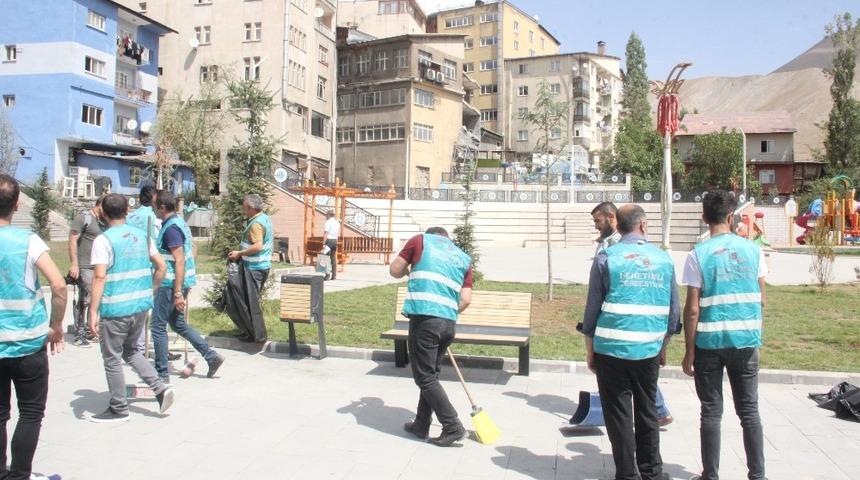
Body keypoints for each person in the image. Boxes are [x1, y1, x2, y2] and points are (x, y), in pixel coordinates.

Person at [580, 204, 680, 480]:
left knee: (618, 414)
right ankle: (652, 472)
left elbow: (592, 308)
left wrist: (590, 347)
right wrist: (664, 346)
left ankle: (626, 473)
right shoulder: (663, 259)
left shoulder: (606, 258)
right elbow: (673, 312)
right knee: (647, 410)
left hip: (611, 349)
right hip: (648, 349)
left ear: (618, 225)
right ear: (643, 225)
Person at [682, 190, 767, 480]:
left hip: (709, 344)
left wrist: (689, 352)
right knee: (749, 410)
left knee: (711, 411)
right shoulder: (754, 250)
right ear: (731, 217)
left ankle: (710, 475)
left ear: (704, 217)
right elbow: (761, 298)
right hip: (745, 341)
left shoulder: (698, 255)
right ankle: (758, 475)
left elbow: (692, 309)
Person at [0, 174, 66, 480]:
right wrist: (56, 326)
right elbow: (59, 285)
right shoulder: (28, 241)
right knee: (30, 413)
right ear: (17, 204)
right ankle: (19, 475)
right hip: (28, 344)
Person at [87, 194, 174, 422]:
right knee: (132, 351)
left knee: (112, 358)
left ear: (103, 213)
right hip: (140, 307)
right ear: (127, 211)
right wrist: (151, 290)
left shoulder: (103, 240)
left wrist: (92, 311)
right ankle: (160, 388)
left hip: (115, 310)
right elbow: (162, 266)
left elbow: (99, 277)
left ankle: (118, 408)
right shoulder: (142, 237)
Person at [390, 227, 473, 447]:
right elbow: (466, 299)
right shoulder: (463, 258)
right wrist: (444, 314)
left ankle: (452, 426)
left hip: (425, 319)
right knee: (431, 376)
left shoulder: (420, 241)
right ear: (447, 239)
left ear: (430, 234)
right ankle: (421, 423)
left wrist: (409, 269)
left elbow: (395, 270)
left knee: (424, 378)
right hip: (448, 323)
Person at [153, 191, 224, 382]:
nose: (153, 210)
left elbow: (179, 261)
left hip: (169, 285)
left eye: (154, 206)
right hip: (177, 283)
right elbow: (189, 252)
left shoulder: (171, 229)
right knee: (177, 324)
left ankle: (161, 374)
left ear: (162, 207)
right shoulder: (179, 223)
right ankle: (211, 356)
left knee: (158, 327)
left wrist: (178, 292)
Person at [227, 194, 273, 342]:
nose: (243, 211)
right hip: (259, 266)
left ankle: (257, 336)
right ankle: (250, 332)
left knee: (251, 303)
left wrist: (239, 253)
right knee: (248, 301)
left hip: (255, 268)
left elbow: (258, 246)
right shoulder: (264, 218)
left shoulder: (256, 224)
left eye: (245, 208)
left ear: (252, 208)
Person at [68, 196, 106, 347]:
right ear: (100, 205)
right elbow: (72, 240)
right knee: (85, 299)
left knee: (97, 299)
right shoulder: (83, 218)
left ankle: (91, 329)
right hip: (85, 266)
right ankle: (79, 333)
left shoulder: (105, 221)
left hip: (100, 266)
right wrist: (74, 264)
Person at [323, 211, 340, 280]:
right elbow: (337, 233)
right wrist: (336, 241)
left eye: (326, 215)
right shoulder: (337, 222)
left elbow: (326, 233)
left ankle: (327, 276)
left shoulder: (328, 222)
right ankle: (334, 275)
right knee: (333, 258)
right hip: (335, 241)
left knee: (326, 258)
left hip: (329, 241)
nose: (325, 216)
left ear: (329, 215)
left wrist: (323, 243)